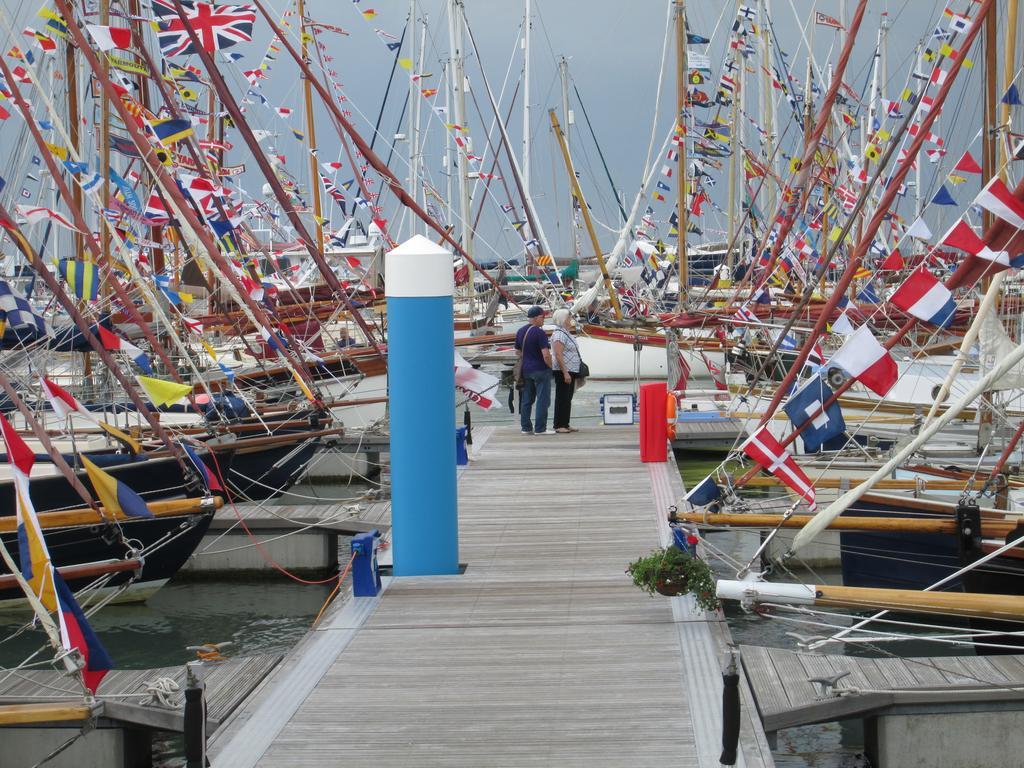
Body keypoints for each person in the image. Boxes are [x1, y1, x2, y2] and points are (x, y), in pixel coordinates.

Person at [514, 305, 553, 434]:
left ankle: (525, 427)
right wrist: (550, 366)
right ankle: (540, 429)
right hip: (541, 369)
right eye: (542, 317)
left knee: (527, 400)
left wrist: (528, 358)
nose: (544, 319)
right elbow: (546, 355)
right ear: (536, 318)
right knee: (542, 400)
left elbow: (517, 351)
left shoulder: (520, 331)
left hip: (526, 370)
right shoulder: (539, 332)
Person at [550, 308, 581, 433]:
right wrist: (565, 372)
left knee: (567, 397)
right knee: (562, 397)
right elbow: (558, 354)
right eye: (568, 318)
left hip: (571, 370)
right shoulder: (559, 334)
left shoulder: (566, 332)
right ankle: (559, 424)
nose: (570, 320)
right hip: (564, 370)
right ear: (563, 319)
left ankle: (565, 423)